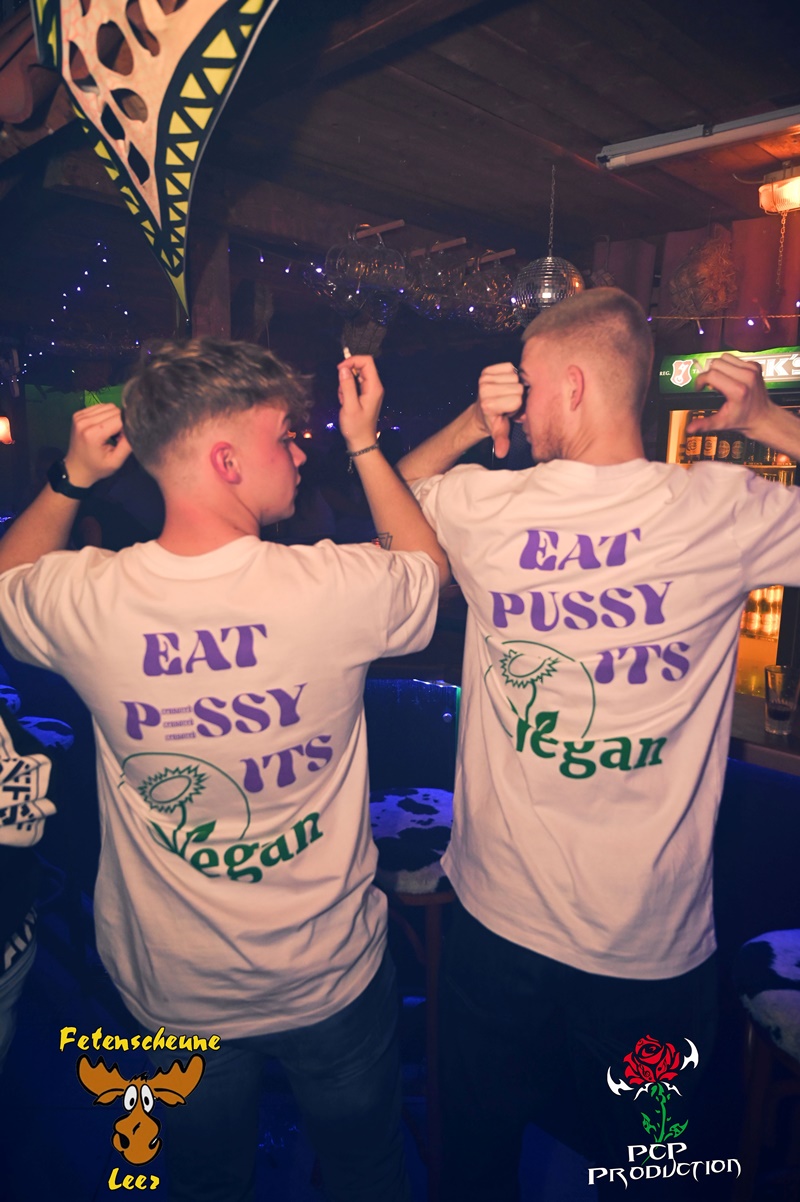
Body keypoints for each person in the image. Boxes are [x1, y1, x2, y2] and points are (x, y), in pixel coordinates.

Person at [0, 339, 447, 1202]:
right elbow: (428, 566)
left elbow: (8, 578)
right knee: (368, 1175)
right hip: (329, 976)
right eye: (286, 436)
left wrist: (70, 478)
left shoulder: (87, 599)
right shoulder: (335, 585)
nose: (301, 453)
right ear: (227, 460)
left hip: (174, 988)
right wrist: (364, 442)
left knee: (206, 1182)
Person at [390, 287, 800, 1198]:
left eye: (529, 386)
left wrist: (466, 426)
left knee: (477, 1164)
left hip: (500, 922)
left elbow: (393, 500)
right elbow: (393, 509)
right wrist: (771, 425)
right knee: (654, 1168)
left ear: (572, 386)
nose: (520, 407)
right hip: (646, 942)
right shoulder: (722, 506)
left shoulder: (488, 504)